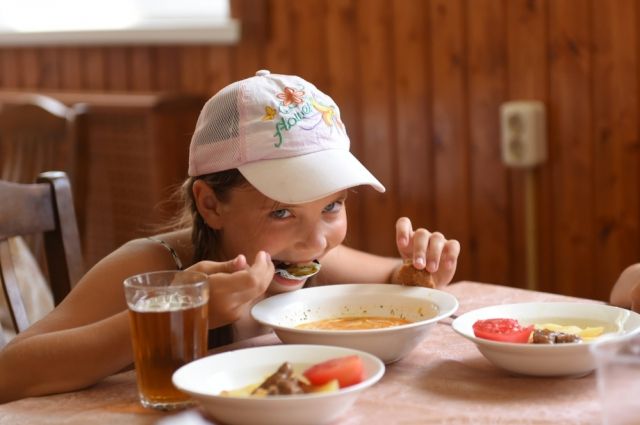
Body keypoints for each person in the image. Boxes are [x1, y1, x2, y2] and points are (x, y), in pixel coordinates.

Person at [0, 70, 460, 403]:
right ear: (210, 204)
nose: (316, 240)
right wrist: (175, 314)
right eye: (282, 210)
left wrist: (420, 267)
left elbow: (396, 284)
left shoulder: (306, 254)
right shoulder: (153, 266)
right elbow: (10, 371)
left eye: (332, 206)